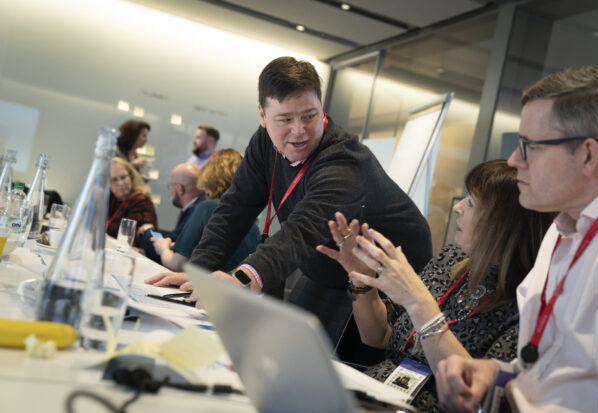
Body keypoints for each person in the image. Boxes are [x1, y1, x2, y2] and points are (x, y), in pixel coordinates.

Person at [147, 56, 432, 349]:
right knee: (281, 351)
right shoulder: (264, 142)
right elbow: (234, 209)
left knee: (333, 367)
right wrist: (196, 274)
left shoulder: (343, 161)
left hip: (383, 284)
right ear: (263, 115)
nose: (299, 131)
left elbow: (303, 230)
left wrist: (243, 279)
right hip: (325, 270)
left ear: (322, 107)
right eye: (285, 120)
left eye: (309, 116)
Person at [435, 66, 598, 413]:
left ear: (588, 155)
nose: (514, 160)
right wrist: (496, 373)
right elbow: (549, 371)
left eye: (530, 146)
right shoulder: (561, 230)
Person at [317, 160, 555, 411]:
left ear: (503, 226)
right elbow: (378, 337)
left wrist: (417, 300)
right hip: (380, 393)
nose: (458, 208)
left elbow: (477, 396)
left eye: (471, 203)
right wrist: (361, 278)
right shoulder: (451, 259)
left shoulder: (527, 304)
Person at [145, 149, 260, 273]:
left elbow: (177, 264)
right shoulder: (250, 218)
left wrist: (162, 249)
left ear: (209, 174)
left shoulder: (208, 207)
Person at [138, 163, 204, 261]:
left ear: (180, 189)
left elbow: (161, 250)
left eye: (171, 185)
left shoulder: (197, 211)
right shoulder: (197, 205)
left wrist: (147, 230)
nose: (170, 190)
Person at [107, 157, 157, 243]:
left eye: (123, 177)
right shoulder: (110, 199)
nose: (120, 183)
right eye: (114, 180)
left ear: (131, 177)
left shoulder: (141, 200)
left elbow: (129, 240)